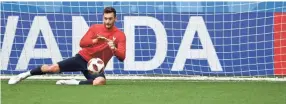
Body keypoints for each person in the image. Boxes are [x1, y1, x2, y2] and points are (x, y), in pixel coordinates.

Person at [8, 6, 126, 86]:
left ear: (115, 18)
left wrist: (114, 49)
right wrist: (95, 40)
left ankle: (72, 82)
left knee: (100, 81)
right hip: (82, 58)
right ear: (103, 18)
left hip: (95, 66)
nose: (107, 21)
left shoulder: (120, 35)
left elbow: (122, 57)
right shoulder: (95, 28)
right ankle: (23, 75)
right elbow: (82, 43)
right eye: (105, 18)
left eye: (110, 19)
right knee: (52, 68)